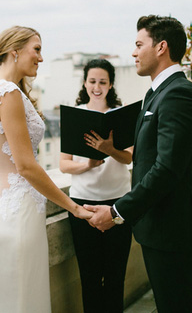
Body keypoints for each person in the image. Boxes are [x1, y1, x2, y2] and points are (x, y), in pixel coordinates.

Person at [85, 15, 192, 313]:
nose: (134, 52)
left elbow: (167, 169)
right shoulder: (159, 93)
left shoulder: (179, 94)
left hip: (173, 231)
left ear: (161, 47)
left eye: (139, 44)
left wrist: (116, 212)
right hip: (159, 228)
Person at [0, 26, 92, 313]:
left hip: (12, 208)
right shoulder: (8, 93)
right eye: (37, 49)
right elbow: (27, 166)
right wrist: (74, 208)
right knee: (23, 302)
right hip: (20, 215)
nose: (41, 58)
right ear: (14, 51)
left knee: (17, 300)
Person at [59, 58, 133, 313]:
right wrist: (88, 165)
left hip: (119, 203)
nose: (97, 87)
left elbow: (130, 157)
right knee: (89, 277)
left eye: (103, 81)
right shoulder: (74, 115)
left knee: (115, 277)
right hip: (83, 203)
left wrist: (110, 149)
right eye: (92, 81)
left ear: (111, 84)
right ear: (84, 82)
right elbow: (64, 165)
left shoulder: (122, 115)